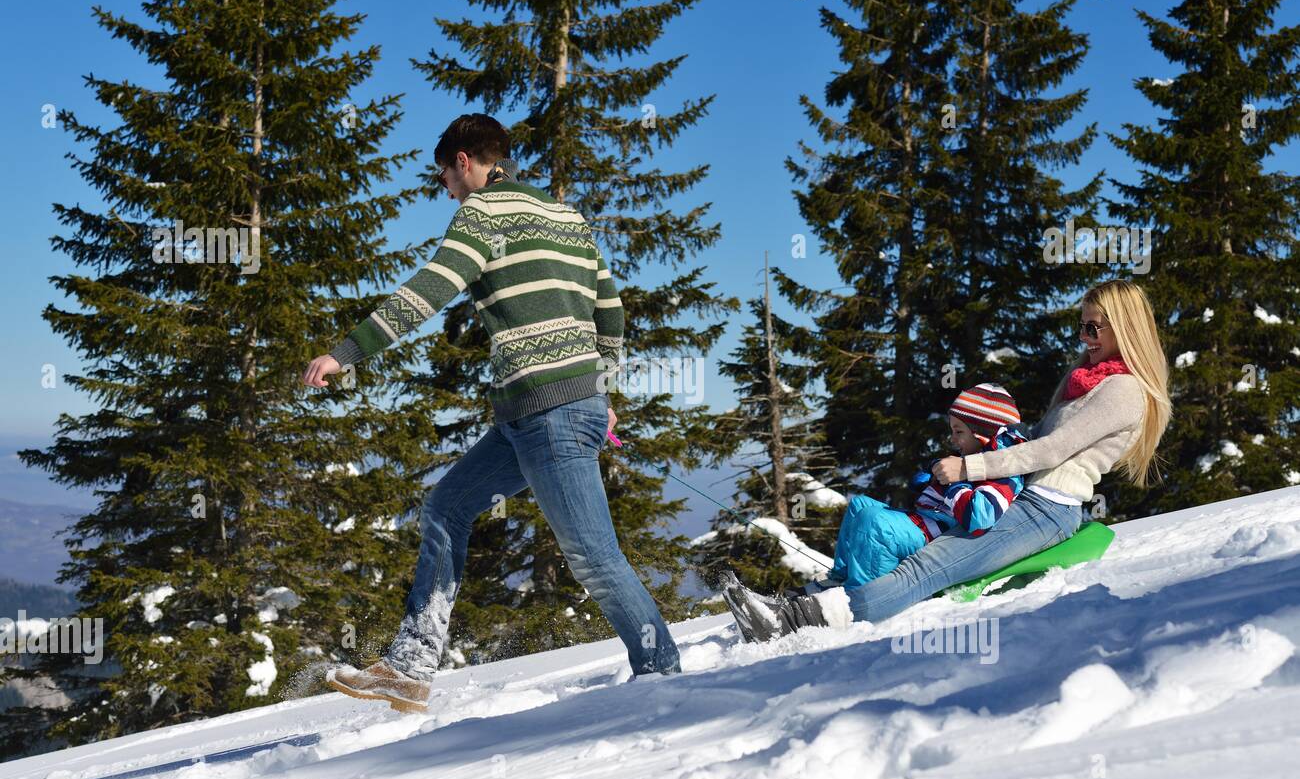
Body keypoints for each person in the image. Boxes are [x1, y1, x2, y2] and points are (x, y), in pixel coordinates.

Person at [303, 114, 680, 712]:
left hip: (550, 413)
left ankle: (662, 673)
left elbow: (430, 287)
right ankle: (410, 667)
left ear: (462, 161)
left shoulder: (480, 214)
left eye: (444, 179)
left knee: (592, 554)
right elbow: (610, 309)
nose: (446, 192)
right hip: (535, 414)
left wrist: (346, 353)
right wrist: (601, 395)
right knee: (447, 507)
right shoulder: (568, 217)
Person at [720, 278, 1172, 640]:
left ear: (1126, 329)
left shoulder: (1124, 390)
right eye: (1082, 326)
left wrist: (968, 468)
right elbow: (1034, 439)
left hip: (1047, 509)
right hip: (1022, 497)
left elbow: (1051, 451)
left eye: (1095, 328)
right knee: (911, 547)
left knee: (927, 568)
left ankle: (794, 623)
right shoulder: (1087, 380)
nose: (1085, 337)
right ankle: (797, 602)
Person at [724, 383, 1032, 642]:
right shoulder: (972, 457)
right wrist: (931, 484)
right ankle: (836, 581)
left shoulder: (1002, 468)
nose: (953, 439)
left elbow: (981, 517)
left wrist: (952, 484)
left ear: (983, 434)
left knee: (877, 527)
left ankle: (855, 600)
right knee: (861, 507)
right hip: (923, 522)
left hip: (939, 537)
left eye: (959, 432)